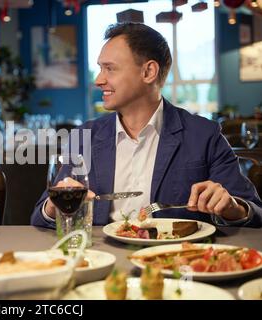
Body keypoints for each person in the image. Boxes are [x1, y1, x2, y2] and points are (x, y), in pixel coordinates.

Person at [31, 22, 262, 228]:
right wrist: (54, 206)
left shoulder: (204, 135)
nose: (98, 80)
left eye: (109, 68)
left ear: (149, 71)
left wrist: (232, 208)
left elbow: (253, 211)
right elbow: (40, 217)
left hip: (175, 263)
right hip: (101, 261)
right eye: (100, 68)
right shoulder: (85, 137)